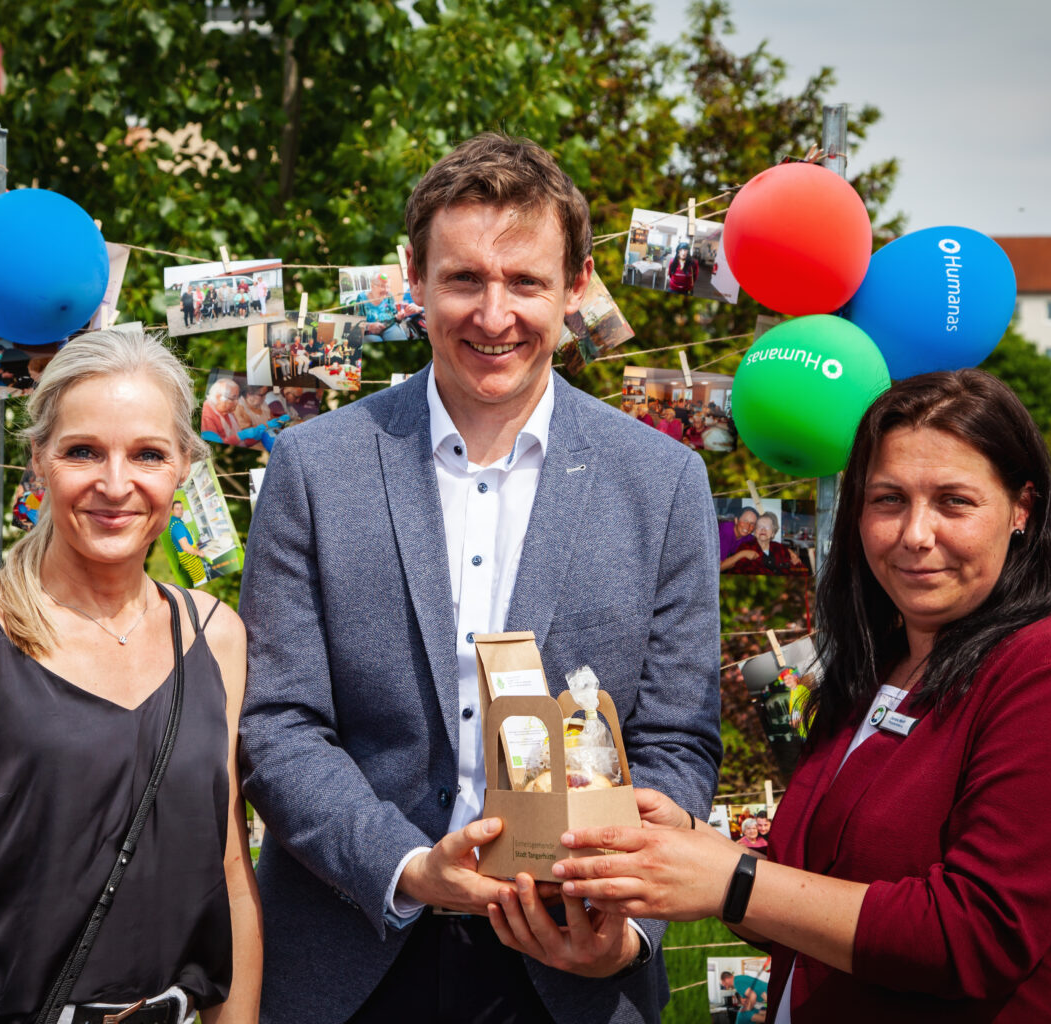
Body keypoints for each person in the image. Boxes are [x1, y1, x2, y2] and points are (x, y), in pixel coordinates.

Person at [240, 132, 721, 1024]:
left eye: (526, 283)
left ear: (576, 287)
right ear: (412, 279)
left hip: (576, 958)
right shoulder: (314, 468)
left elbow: (678, 742)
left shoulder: (661, 482)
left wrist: (628, 924)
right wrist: (410, 867)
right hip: (356, 951)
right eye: (464, 279)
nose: (493, 315)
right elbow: (278, 722)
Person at [551, 369, 1051, 1023]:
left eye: (954, 502)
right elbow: (811, 891)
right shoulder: (881, 663)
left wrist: (733, 884)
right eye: (888, 500)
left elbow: (978, 937)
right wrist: (699, 849)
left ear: (1023, 509)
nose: (915, 534)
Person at [0, 327, 262, 1024]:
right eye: (83, 451)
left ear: (184, 464)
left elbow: (230, 885)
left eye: (148, 454)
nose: (115, 484)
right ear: (38, 461)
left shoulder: (217, 636)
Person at [170, 499, 208, 586]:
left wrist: (196, 546)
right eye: (177, 508)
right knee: (201, 581)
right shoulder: (177, 525)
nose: (180, 511)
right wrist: (199, 553)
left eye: (181, 508)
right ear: (172, 511)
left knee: (199, 580)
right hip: (190, 559)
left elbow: (186, 542)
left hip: (191, 558)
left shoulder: (177, 523)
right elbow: (185, 547)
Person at [719, 508, 762, 574]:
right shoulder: (726, 531)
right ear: (736, 520)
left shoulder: (747, 536)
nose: (747, 526)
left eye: (752, 524)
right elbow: (718, 568)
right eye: (745, 521)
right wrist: (742, 554)